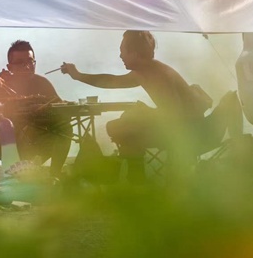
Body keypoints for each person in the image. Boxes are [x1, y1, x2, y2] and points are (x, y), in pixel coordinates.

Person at [60, 30, 211, 182]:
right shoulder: (145, 71)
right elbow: (110, 81)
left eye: (122, 51)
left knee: (121, 129)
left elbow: (177, 115)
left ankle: (137, 180)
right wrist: (77, 75)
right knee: (119, 127)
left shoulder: (157, 74)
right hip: (181, 129)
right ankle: (136, 178)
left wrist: (146, 112)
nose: (120, 56)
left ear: (135, 53)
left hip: (188, 134)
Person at [0, 40, 73, 176]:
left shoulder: (42, 82)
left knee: (66, 127)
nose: (27, 67)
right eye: (20, 63)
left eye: (30, 62)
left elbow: (60, 107)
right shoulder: (3, 85)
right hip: (10, 143)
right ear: (9, 67)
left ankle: (54, 176)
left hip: (39, 143)